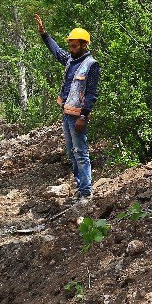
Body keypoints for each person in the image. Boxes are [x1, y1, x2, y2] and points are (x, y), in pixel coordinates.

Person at [34, 14, 100, 202]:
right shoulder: (71, 60)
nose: (70, 49)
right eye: (70, 45)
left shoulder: (91, 65)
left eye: (74, 46)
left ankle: (86, 193)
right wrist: (44, 34)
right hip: (66, 114)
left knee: (81, 153)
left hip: (78, 117)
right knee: (72, 153)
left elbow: (91, 94)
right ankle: (80, 188)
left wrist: (83, 116)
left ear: (84, 45)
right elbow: (56, 51)